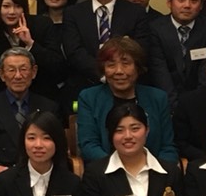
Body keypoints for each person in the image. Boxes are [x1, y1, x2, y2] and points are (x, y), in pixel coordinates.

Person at [60, 0, 164, 97]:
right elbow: (74, 52)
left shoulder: (136, 13)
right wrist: (105, 74)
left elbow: (141, 50)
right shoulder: (73, 13)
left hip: (127, 89)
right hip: (85, 87)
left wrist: (118, 73)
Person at [75, 37, 177, 168]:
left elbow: (168, 147)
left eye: (126, 63)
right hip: (106, 171)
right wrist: (118, 169)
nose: (119, 71)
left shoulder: (157, 97)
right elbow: (89, 146)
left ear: (137, 67)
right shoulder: (89, 97)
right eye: (111, 65)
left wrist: (155, 171)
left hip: (152, 171)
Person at [0, 47, 63, 176]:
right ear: (1, 74)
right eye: (11, 70)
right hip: (4, 172)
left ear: (34, 72)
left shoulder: (49, 107)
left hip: (42, 171)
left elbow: (59, 145)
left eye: (23, 69)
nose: (18, 76)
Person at [148, 0, 206, 98]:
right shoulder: (156, 29)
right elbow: (160, 72)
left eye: (194, 0)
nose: (187, 5)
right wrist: (173, 104)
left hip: (200, 100)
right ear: (169, 2)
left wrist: (196, 103)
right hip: (165, 99)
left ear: (201, 4)